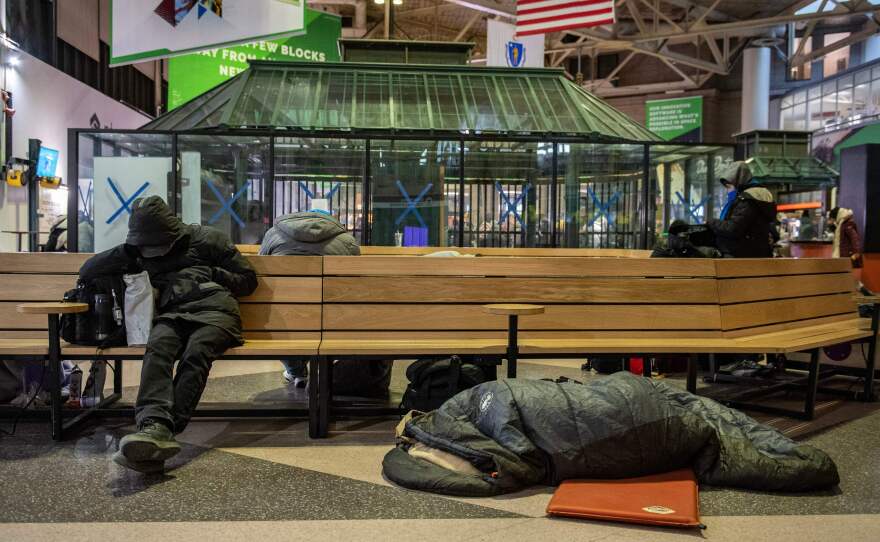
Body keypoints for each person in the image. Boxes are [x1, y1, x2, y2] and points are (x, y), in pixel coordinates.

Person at [80, 196, 257, 473]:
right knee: (158, 347)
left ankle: (159, 430)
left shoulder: (207, 239)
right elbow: (87, 271)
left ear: (172, 232)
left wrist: (212, 273)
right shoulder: (138, 251)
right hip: (172, 315)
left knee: (197, 352)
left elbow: (248, 282)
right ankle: (153, 428)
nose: (156, 253)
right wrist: (128, 252)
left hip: (217, 314)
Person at [260, 210, 360, 387]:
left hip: (285, 317)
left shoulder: (272, 235)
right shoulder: (347, 241)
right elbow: (355, 284)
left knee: (279, 316)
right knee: (334, 314)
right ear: (331, 220)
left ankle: (296, 371)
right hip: (333, 320)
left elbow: (261, 275)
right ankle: (322, 371)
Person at [707, 162, 776, 258]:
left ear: (739, 183)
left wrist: (711, 222)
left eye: (729, 187)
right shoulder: (763, 196)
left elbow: (732, 229)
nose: (728, 191)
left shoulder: (747, 200)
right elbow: (773, 232)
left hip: (740, 256)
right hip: (758, 254)